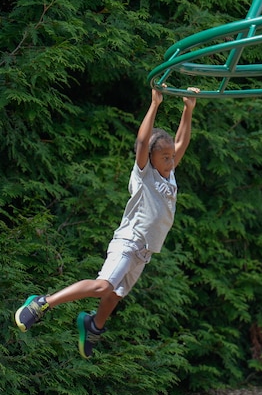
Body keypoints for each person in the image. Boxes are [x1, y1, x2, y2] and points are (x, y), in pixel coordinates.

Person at [15, 86, 197, 359]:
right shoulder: (144, 174)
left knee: (115, 295)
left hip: (144, 251)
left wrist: (188, 109)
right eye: (165, 157)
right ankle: (41, 303)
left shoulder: (168, 175)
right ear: (150, 157)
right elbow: (141, 141)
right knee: (103, 287)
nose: (172, 160)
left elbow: (182, 142)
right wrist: (154, 104)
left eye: (172, 156)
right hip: (129, 240)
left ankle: (93, 325)